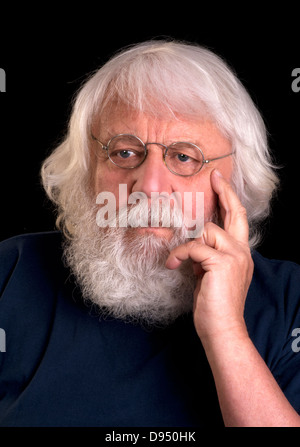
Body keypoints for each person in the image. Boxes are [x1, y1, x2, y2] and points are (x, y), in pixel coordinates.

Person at [0, 39, 300, 428]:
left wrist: (226, 332)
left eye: (183, 156)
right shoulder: (10, 273)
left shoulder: (289, 300)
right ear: (86, 170)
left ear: (236, 183)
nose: (151, 186)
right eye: (124, 152)